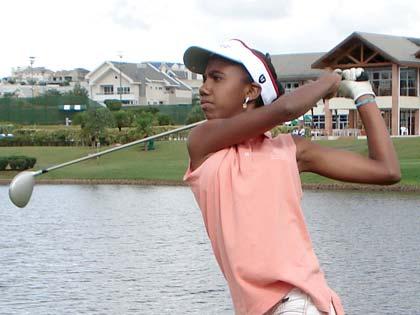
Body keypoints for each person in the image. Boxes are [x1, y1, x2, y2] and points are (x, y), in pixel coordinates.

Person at [182, 39, 400, 315]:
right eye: (204, 79)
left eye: (216, 78)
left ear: (250, 91)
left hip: (300, 302)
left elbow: (387, 170)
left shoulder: (290, 149)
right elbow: (284, 110)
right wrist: (331, 80)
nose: (204, 88)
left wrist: (362, 94)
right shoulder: (202, 141)